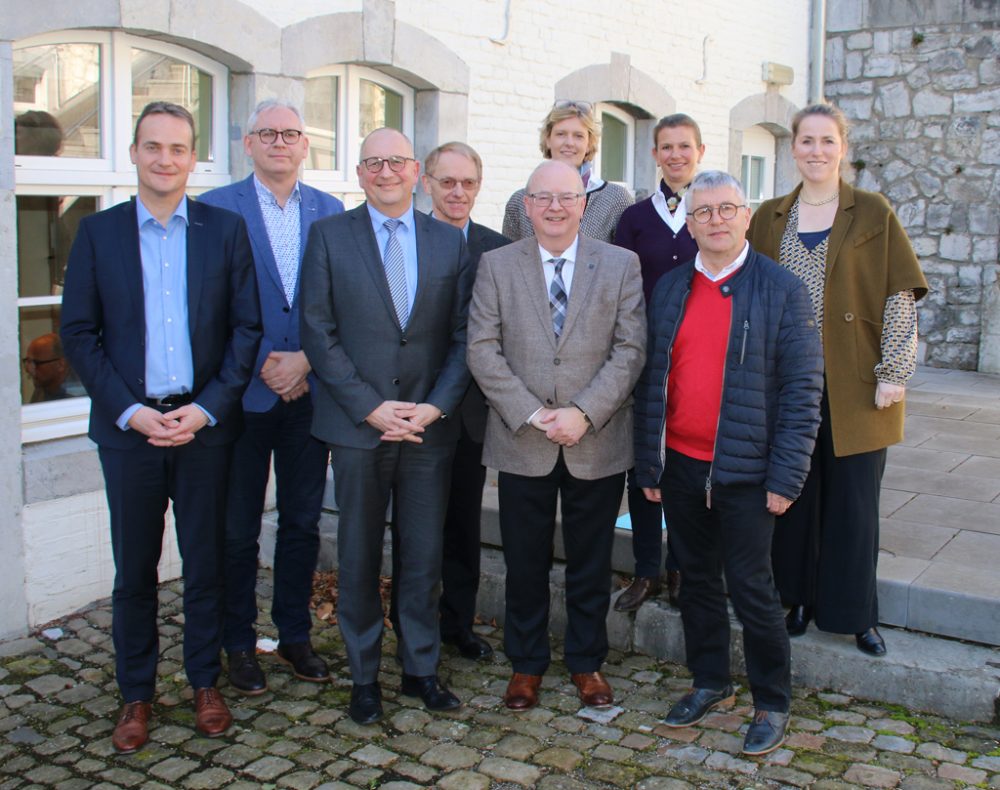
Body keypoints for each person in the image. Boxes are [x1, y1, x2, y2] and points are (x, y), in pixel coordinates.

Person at [60, 102, 262, 753]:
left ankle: (204, 680)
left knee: (205, 564)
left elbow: (245, 331)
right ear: (135, 153)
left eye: (177, 148)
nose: (165, 159)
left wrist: (205, 409)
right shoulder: (98, 232)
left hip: (203, 428)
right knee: (134, 572)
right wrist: (130, 409)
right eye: (154, 147)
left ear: (192, 156)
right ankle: (136, 694)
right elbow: (79, 334)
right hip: (131, 430)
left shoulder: (224, 231)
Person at [634, 170, 822, 756]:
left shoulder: (781, 288)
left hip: (747, 471)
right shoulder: (669, 287)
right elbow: (650, 384)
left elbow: (802, 389)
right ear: (689, 223)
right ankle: (710, 680)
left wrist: (787, 476)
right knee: (695, 583)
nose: (715, 219)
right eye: (703, 211)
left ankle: (772, 699)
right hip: (683, 465)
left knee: (752, 587)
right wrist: (651, 466)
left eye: (726, 209)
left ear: (746, 216)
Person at [299, 127, 474, 725]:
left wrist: (435, 405)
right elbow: (317, 333)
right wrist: (369, 407)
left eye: (396, 161)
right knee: (358, 554)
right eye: (373, 163)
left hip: (427, 428)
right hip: (358, 428)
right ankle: (364, 675)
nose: (386, 172)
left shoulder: (449, 243)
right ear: (359, 171)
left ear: (416, 169)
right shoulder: (328, 237)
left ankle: (420, 669)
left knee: (423, 556)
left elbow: (462, 337)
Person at [747, 103, 929, 657]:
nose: (816, 151)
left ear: (842, 147)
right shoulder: (770, 216)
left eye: (827, 141)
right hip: (789, 385)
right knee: (793, 497)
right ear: (793, 148)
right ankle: (798, 598)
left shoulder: (872, 211)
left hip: (857, 383)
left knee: (853, 505)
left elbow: (898, 295)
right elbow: (753, 297)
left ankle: (855, 615)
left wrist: (894, 372)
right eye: (806, 141)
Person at [468, 160, 646, 711]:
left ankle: (587, 663)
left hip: (598, 438)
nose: (554, 207)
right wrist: (532, 412)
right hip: (522, 438)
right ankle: (526, 665)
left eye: (566, 197)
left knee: (592, 561)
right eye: (542, 197)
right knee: (524, 561)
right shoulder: (497, 265)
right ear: (526, 204)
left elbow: (630, 348)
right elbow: (482, 348)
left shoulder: (620, 264)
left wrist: (585, 412)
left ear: (583, 204)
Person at [199, 100, 344, 694]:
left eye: (290, 133)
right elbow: (206, 308)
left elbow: (340, 302)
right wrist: (261, 365)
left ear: (305, 145)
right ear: (248, 142)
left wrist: (308, 359)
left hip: (310, 395)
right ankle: (238, 642)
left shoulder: (329, 211)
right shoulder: (214, 209)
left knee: (303, 522)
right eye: (268, 133)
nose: (279, 143)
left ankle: (293, 634)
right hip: (241, 397)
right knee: (235, 530)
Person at [419, 141, 510, 659]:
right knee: (417, 526)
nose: (458, 192)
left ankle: (458, 625)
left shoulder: (496, 248)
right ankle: (414, 622)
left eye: (467, 183)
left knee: (463, 525)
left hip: (474, 412)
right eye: (447, 181)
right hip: (417, 408)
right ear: (426, 182)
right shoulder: (405, 239)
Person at [612, 113, 706, 612]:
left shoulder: (711, 211)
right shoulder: (634, 218)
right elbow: (620, 288)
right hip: (645, 359)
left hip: (697, 356)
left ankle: (682, 572)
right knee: (643, 464)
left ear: (700, 151)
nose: (675, 155)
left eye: (684, 146)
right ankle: (645, 570)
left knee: (686, 468)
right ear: (654, 155)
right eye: (666, 147)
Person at [503, 101, 632, 243]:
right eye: (561, 134)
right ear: (548, 140)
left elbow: (623, 262)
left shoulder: (615, 199)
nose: (569, 143)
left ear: (589, 144)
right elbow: (509, 260)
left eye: (578, 136)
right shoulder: (520, 202)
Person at [23, 333, 70, 402]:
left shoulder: (76, 397)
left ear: (60, 365)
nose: (28, 369)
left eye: (36, 363)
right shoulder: (42, 388)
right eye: (28, 361)